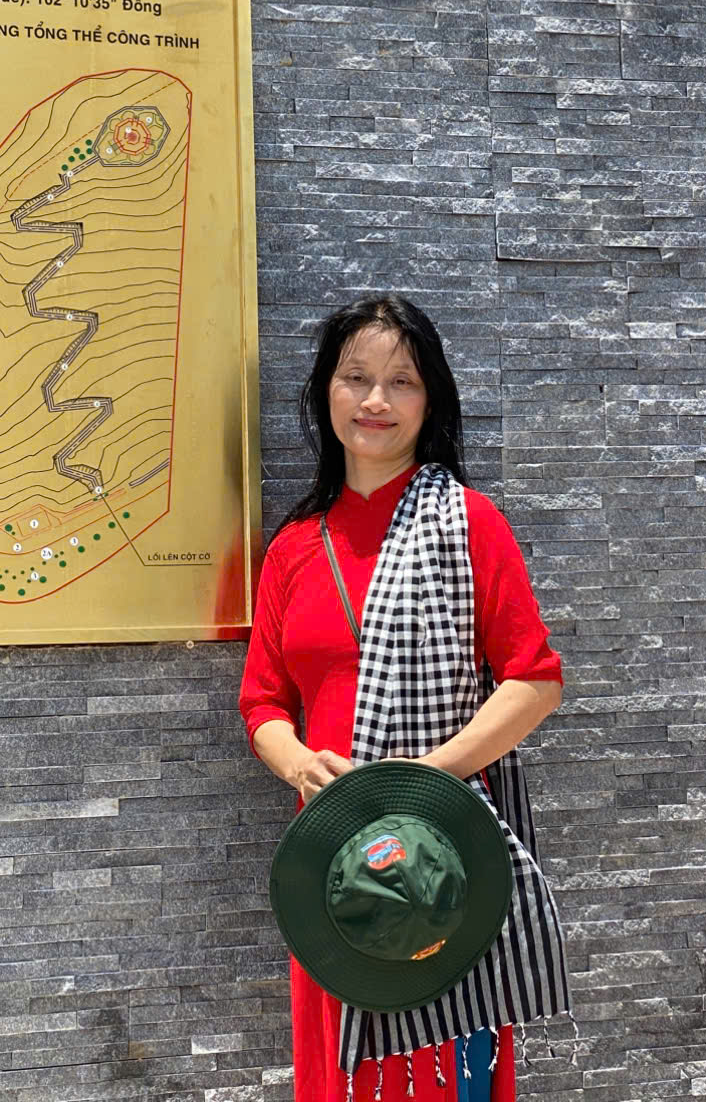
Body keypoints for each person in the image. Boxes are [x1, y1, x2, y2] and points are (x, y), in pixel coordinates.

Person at [239, 294, 571, 1102]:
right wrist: (300, 766)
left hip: (438, 864)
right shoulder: (293, 548)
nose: (376, 400)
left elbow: (535, 681)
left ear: (432, 401)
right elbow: (262, 702)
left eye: (403, 382)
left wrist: (424, 777)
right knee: (340, 1071)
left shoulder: (469, 525)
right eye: (356, 377)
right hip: (335, 865)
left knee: (440, 1064)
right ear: (326, 391)